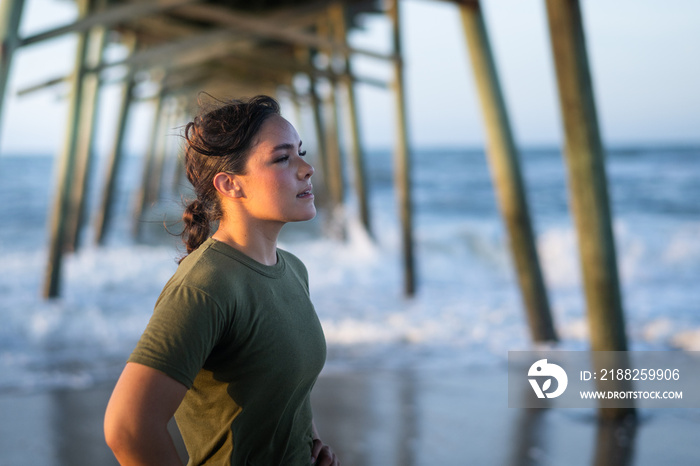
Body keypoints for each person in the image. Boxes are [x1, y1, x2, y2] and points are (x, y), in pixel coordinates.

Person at [104, 95, 339, 466]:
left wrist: (308, 441)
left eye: (301, 152)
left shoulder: (293, 269)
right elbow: (128, 427)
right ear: (230, 184)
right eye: (282, 158)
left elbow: (283, 388)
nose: (307, 168)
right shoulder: (204, 286)